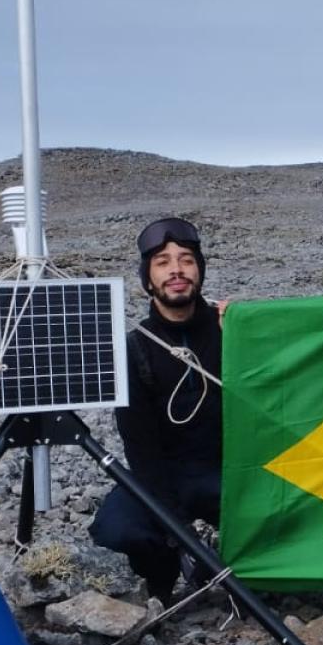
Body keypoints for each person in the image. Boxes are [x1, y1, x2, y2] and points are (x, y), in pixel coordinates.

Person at [89, 217, 222, 605]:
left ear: (200, 271)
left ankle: (243, 564)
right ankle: (163, 579)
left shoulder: (235, 330)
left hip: (230, 472)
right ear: (147, 280)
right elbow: (140, 449)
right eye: (162, 262)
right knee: (116, 529)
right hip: (161, 475)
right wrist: (180, 533)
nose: (176, 270)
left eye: (186, 260)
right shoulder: (134, 349)